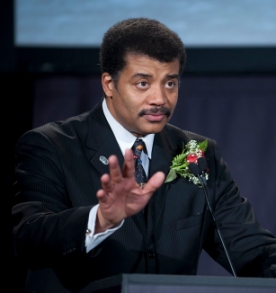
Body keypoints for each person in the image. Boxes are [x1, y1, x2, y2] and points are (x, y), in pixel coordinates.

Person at [12, 17, 276, 292]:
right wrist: (101, 219)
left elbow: (252, 249)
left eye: (170, 83)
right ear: (109, 84)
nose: (160, 98)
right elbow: (28, 239)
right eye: (142, 83)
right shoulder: (51, 146)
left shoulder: (197, 155)